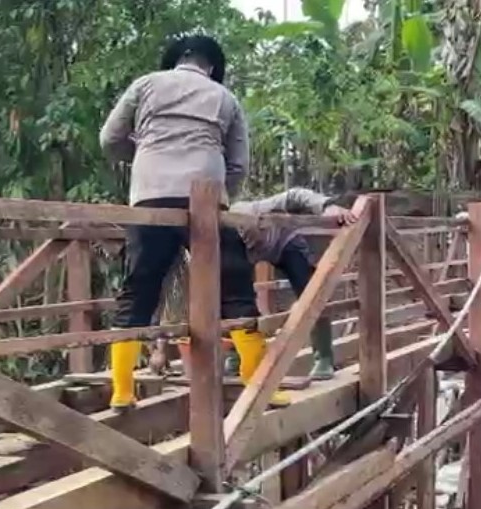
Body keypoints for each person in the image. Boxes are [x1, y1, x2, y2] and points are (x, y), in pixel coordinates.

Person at [101, 33, 281, 409]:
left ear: (176, 59)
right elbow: (239, 164)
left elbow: (110, 139)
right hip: (206, 199)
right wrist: (223, 196)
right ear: (211, 67)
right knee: (234, 287)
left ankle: (122, 390)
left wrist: (147, 155)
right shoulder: (225, 97)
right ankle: (258, 384)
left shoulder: (145, 84)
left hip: (150, 196)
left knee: (139, 288)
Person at [224, 188, 362, 380]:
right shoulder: (218, 242)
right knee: (233, 298)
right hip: (249, 256)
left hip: (285, 243)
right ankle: (237, 353)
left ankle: (323, 357)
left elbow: (294, 196)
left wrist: (325, 205)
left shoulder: (250, 211)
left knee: (311, 292)